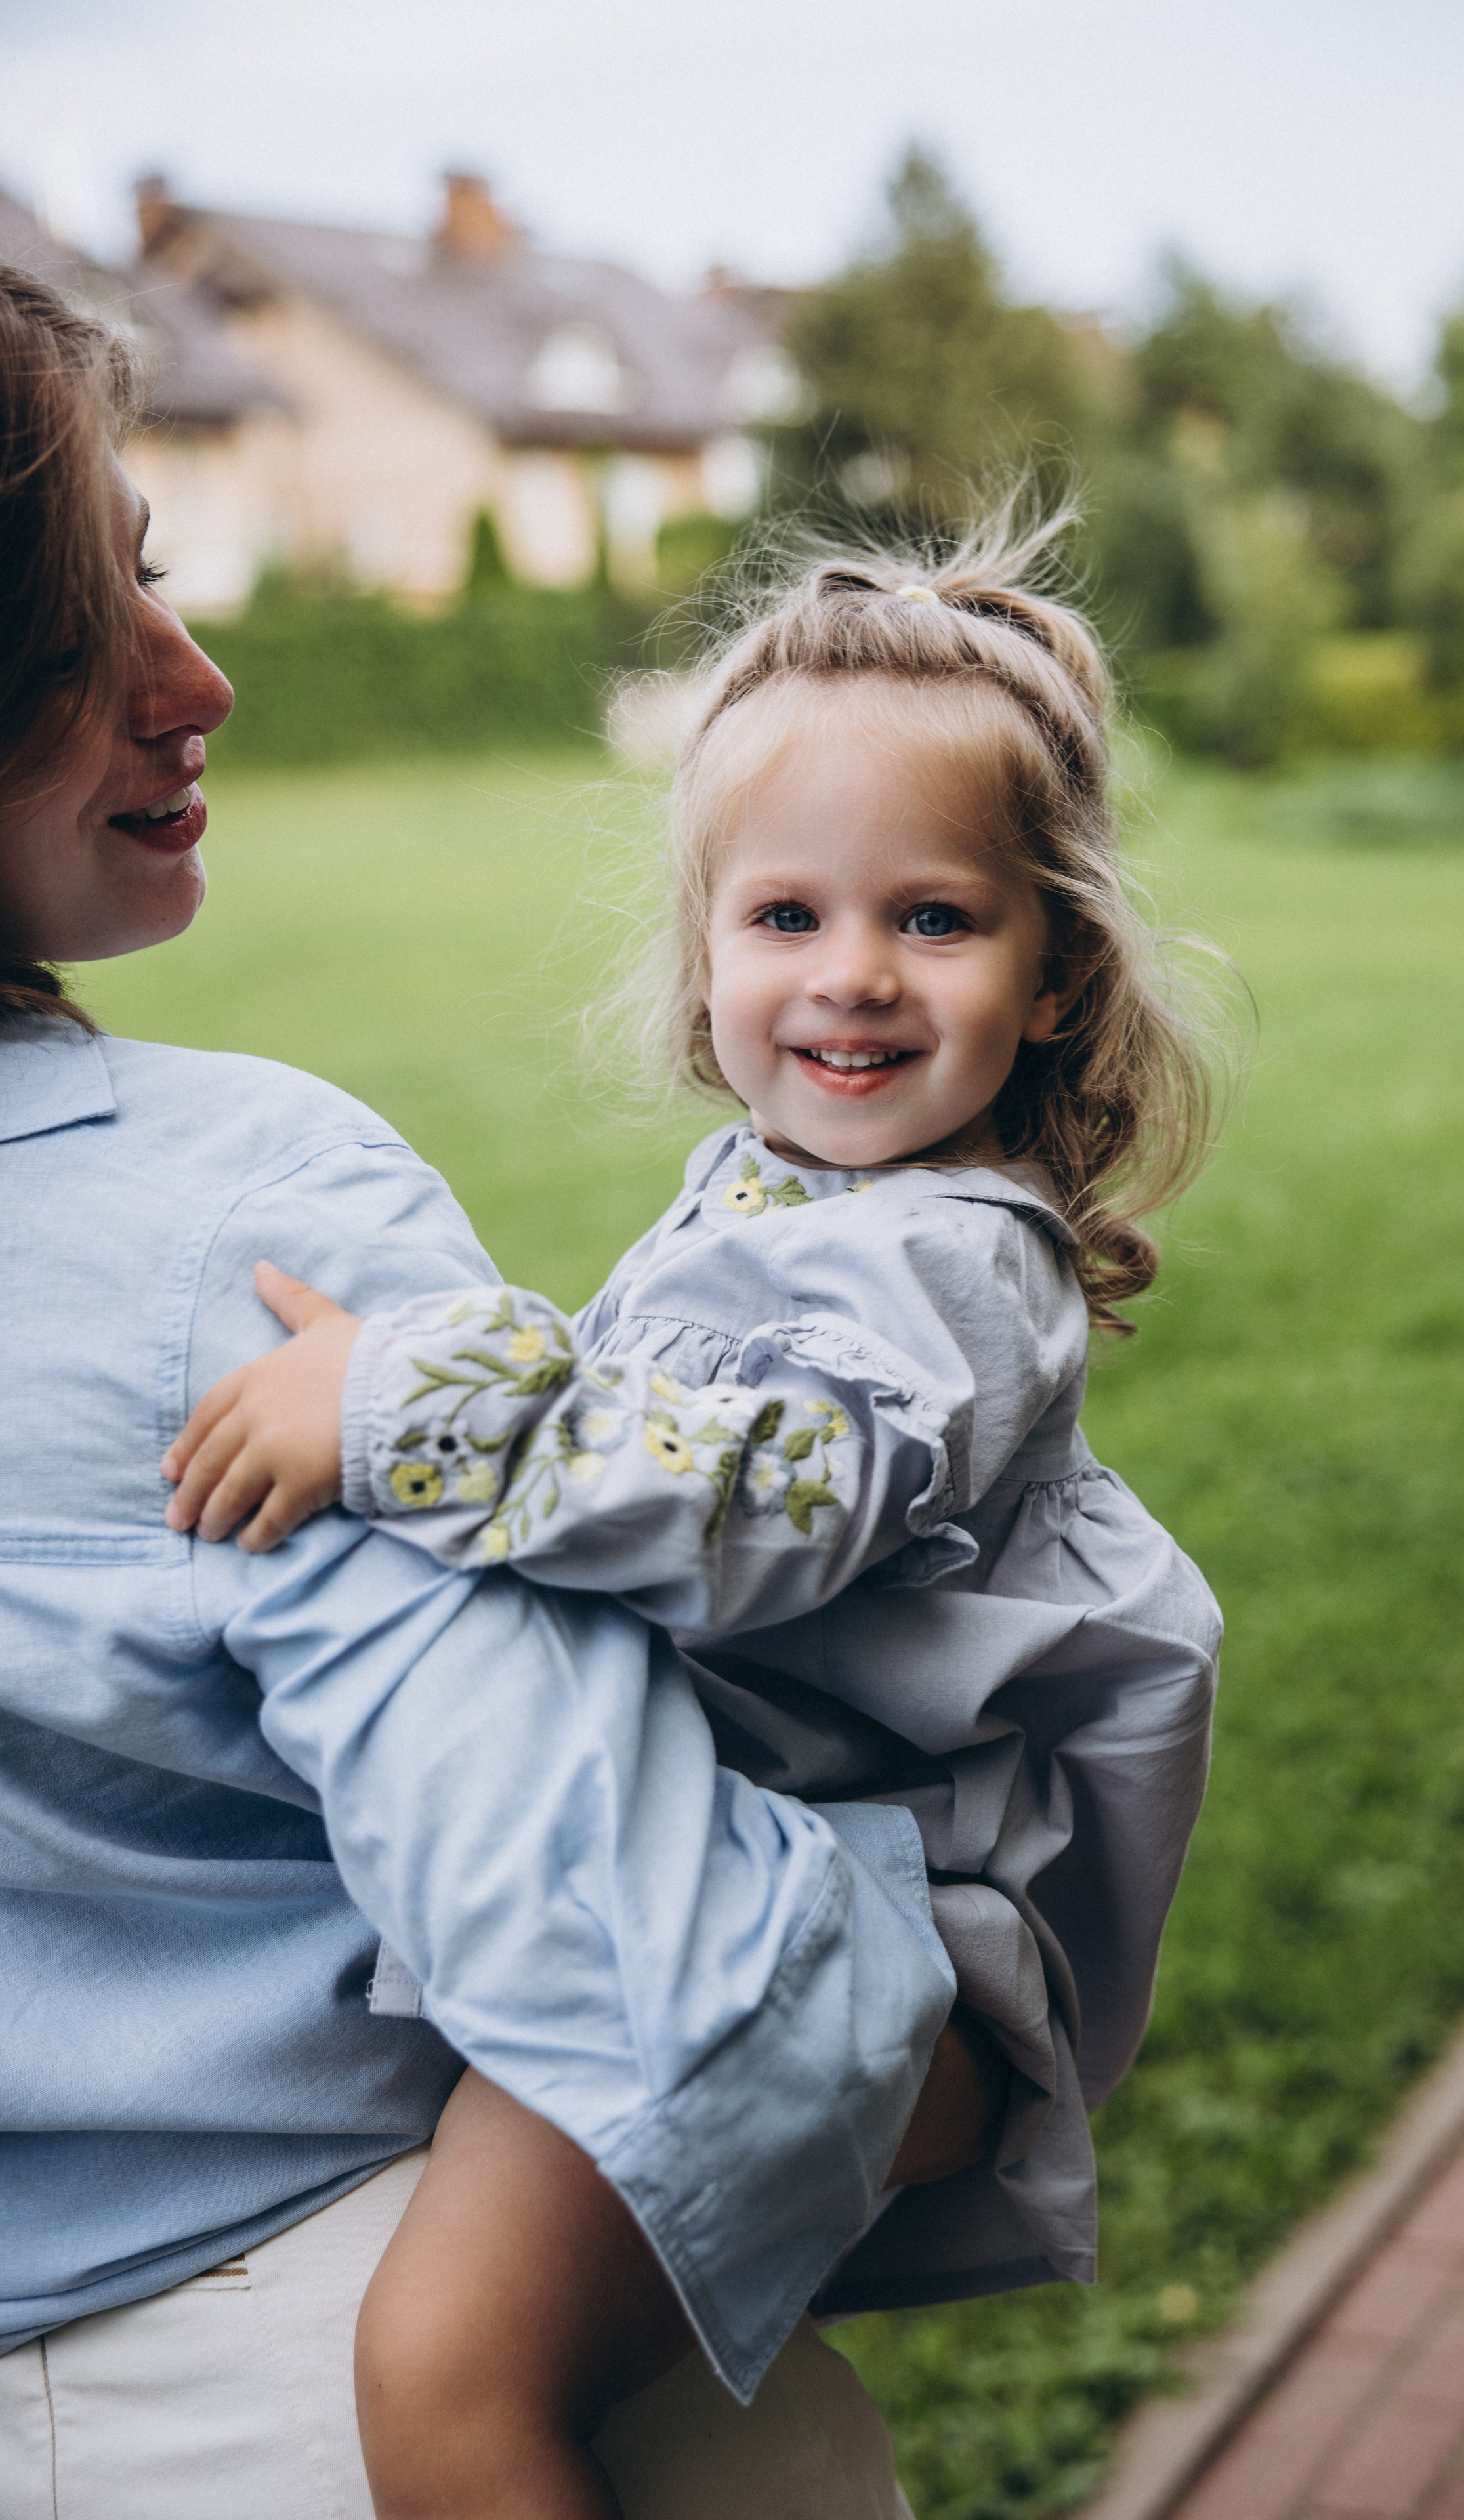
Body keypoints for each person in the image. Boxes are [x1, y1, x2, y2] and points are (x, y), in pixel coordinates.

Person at [0, 262, 1009, 2520]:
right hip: (327, 2363)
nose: (200, 678)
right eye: (88, 618)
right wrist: (952, 2023)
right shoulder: (245, 1225)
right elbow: (635, 1954)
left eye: (162, 575)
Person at [167, 530, 1227, 2519]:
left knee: (449, 2383)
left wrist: (402, 1402)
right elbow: (665, 1427)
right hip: (751, 1888)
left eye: (933, 917)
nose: (848, 974)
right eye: (785, 913)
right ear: (707, 951)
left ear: (1059, 969)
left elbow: (763, 1499)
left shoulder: (960, 1267)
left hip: (847, 1928)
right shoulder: (779, 1193)